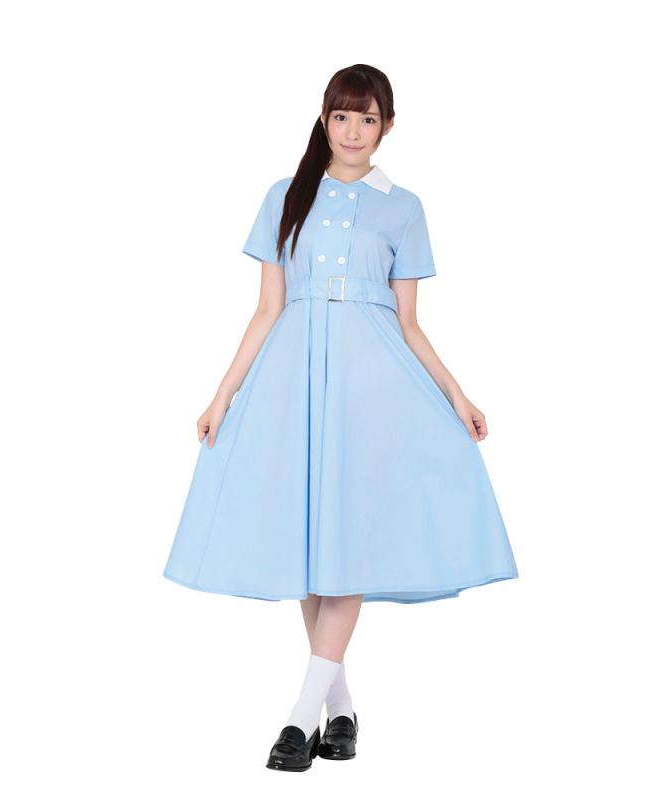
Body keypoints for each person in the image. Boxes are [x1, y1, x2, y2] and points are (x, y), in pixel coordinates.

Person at [162, 64, 519, 772]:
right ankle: (342, 707)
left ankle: (301, 719)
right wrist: (222, 393)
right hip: (291, 381)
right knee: (310, 547)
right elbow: (267, 308)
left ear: (388, 126)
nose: (354, 131)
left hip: (371, 389)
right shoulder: (284, 195)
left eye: (368, 118)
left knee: (346, 540)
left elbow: (409, 323)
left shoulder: (403, 207)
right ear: (324, 119)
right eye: (342, 116)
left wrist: (456, 394)